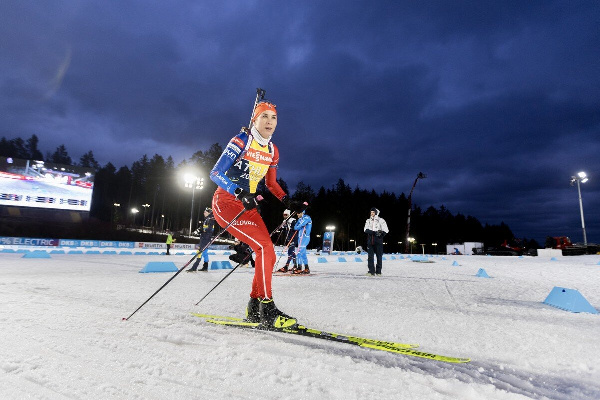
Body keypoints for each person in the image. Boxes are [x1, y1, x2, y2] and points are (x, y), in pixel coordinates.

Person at [209, 99, 303, 329]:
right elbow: (215, 173)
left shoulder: (272, 149)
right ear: (255, 119)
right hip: (227, 202)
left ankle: (254, 305)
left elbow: (271, 184)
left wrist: (287, 201)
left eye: (273, 118)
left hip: (247, 207)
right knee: (263, 248)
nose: (269, 122)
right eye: (264, 117)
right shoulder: (241, 140)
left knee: (268, 254)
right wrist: (239, 192)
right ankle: (267, 309)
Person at [187, 207, 216, 272]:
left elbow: (210, 230)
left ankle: (194, 267)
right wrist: (198, 230)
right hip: (205, 238)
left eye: (205, 212)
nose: (204, 213)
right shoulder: (207, 219)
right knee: (205, 253)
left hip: (205, 239)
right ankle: (205, 267)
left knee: (199, 252)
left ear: (209, 213)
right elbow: (203, 227)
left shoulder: (210, 219)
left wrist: (201, 230)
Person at [364, 207, 389, 276]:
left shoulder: (381, 220)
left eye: (373, 212)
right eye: (371, 212)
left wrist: (381, 235)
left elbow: (386, 230)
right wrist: (373, 232)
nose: (372, 214)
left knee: (379, 256)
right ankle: (371, 271)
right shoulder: (368, 220)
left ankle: (378, 272)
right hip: (370, 242)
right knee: (370, 257)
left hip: (378, 242)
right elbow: (365, 229)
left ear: (376, 213)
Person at [293, 208, 312, 274]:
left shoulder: (307, 217)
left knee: (299, 252)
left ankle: (299, 267)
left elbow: (301, 225)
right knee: (302, 253)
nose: (297, 214)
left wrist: (299, 226)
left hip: (305, 237)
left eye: (298, 213)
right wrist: (299, 226)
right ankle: (306, 268)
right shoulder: (299, 219)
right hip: (300, 237)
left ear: (302, 213)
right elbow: (295, 227)